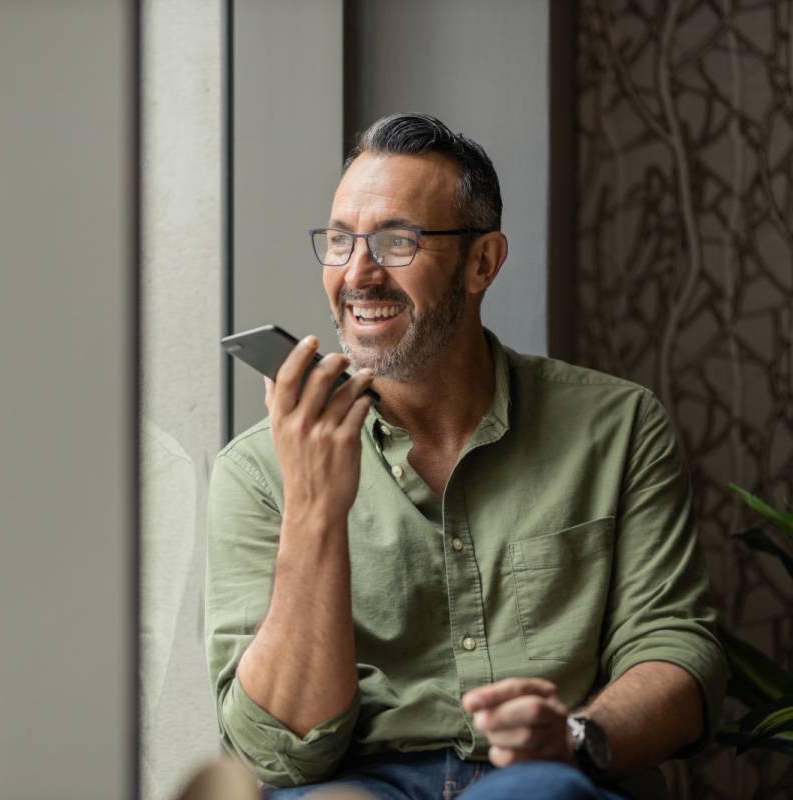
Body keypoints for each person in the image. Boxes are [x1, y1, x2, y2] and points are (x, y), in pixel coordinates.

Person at [204, 113, 726, 799]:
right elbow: (274, 757)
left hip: (542, 782)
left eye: (396, 241)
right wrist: (313, 509)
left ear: (482, 262)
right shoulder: (258, 472)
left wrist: (572, 739)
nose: (358, 273)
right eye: (339, 241)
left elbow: (679, 655)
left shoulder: (619, 428)